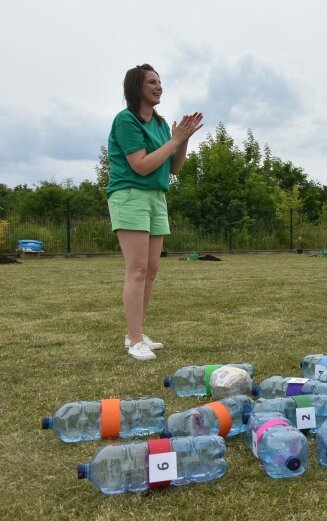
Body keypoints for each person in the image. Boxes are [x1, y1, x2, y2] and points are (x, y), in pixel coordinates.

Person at [107, 64, 203, 361]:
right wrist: (173, 142)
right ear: (137, 87)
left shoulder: (161, 125)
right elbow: (141, 165)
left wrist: (182, 140)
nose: (159, 86)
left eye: (160, 81)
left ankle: (136, 332)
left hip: (157, 197)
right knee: (136, 270)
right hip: (130, 195)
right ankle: (135, 339)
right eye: (152, 82)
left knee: (151, 270)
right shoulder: (126, 121)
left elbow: (172, 168)